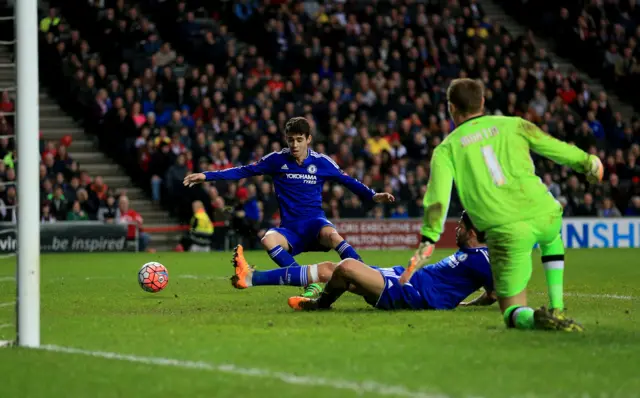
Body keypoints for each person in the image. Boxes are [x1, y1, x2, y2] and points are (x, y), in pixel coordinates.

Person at [401, 78, 604, 332]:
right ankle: (557, 307)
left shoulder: (447, 149)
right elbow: (555, 148)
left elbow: (437, 201)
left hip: (506, 230)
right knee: (552, 239)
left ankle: (535, 317)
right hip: (545, 212)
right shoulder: (514, 125)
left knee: (511, 310)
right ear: (482, 102)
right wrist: (588, 163)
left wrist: (428, 241)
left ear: (451, 108)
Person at [184, 117, 395, 296]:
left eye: (299, 140)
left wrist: (373, 196)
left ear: (309, 139)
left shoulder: (322, 162)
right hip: (290, 229)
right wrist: (206, 176)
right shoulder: (276, 160)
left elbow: (348, 181)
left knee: (333, 236)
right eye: (290, 140)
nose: (294, 145)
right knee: (268, 239)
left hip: (315, 224)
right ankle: (308, 284)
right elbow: (243, 171)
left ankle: (367, 277)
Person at [231, 212, 496, 311]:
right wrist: (465, 302)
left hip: (414, 294)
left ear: (472, 233)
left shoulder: (484, 259)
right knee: (330, 268)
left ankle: (319, 303)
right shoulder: (472, 255)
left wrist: (466, 305)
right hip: (404, 277)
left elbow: (495, 293)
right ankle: (251, 278)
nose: (456, 230)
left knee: (344, 267)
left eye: (460, 226)